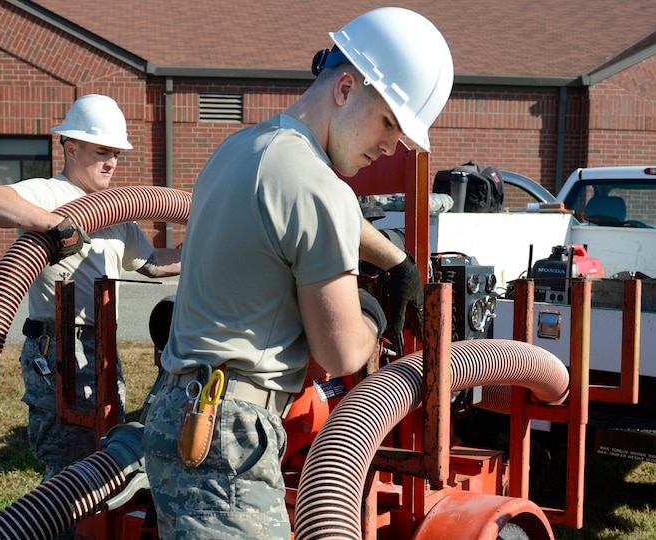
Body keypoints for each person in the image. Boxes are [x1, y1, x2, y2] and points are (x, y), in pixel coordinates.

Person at [140, 7, 453, 538]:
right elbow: (340, 353)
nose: (391, 146)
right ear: (347, 87)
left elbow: (316, 212)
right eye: (388, 122)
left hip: (178, 415)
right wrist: (372, 314)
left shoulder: (240, 149)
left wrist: (395, 259)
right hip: (231, 441)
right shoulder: (317, 184)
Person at [0, 93, 181, 488]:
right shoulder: (49, 193)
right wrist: (53, 225)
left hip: (102, 348)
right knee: (68, 457)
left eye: (115, 153)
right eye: (101, 151)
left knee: (105, 447)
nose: (111, 162)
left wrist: (205, 252)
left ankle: (94, 520)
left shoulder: (117, 209)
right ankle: (59, 523)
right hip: (58, 349)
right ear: (71, 147)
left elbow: (152, 263)